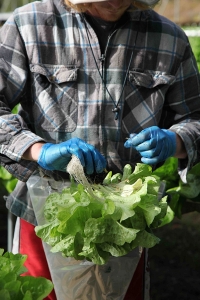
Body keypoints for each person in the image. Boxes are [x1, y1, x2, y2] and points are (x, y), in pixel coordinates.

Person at [0, 0, 200, 299]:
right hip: (45, 216)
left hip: (125, 226)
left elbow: (194, 117)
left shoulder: (168, 37)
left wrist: (176, 140)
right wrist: (38, 150)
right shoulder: (29, 24)